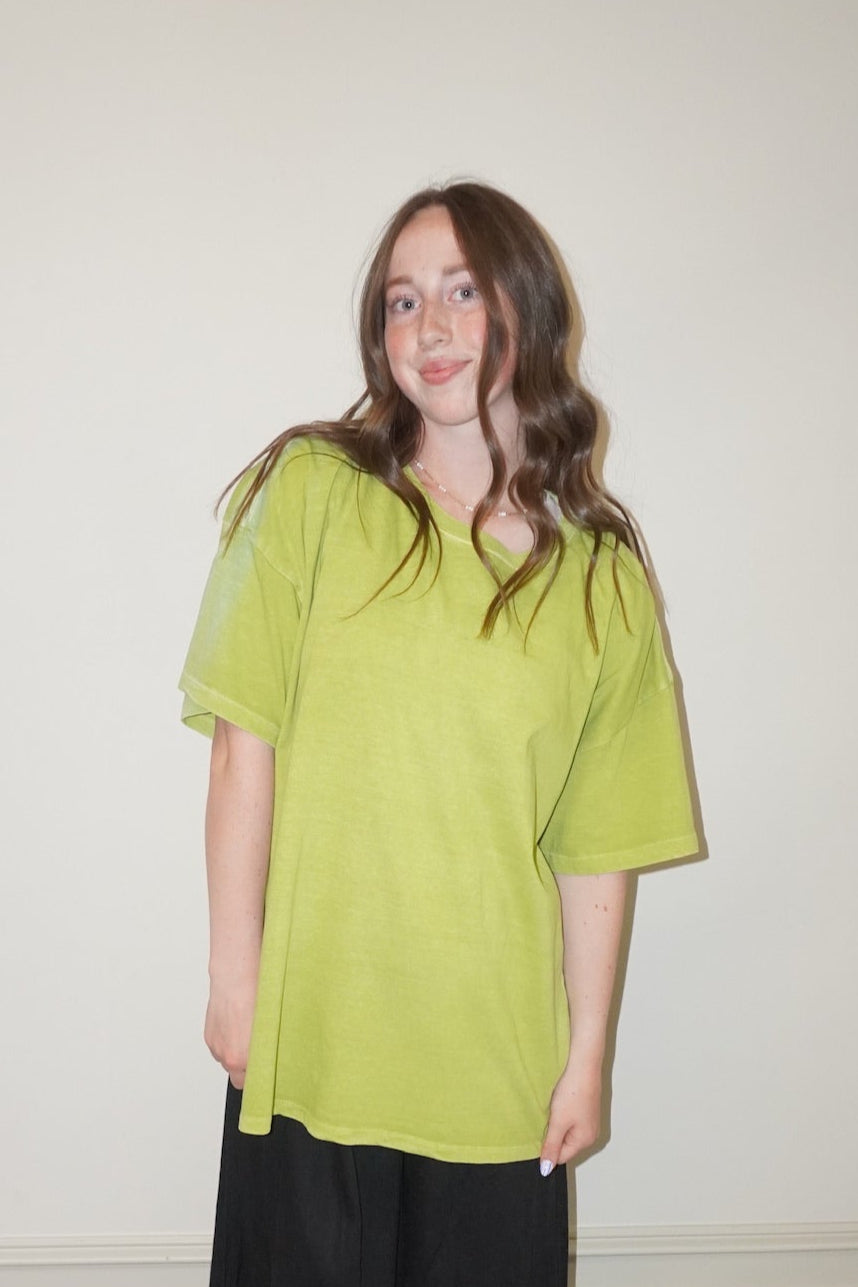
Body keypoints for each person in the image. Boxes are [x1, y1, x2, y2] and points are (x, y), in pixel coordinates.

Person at [179, 180, 698, 1287]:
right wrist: (235, 982)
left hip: (494, 1070)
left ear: (529, 310)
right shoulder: (311, 493)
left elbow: (595, 845)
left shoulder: (602, 579)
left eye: (464, 290)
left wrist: (587, 1057)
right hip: (314, 1047)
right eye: (403, 301)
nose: (434, 326)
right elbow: (242, 744)